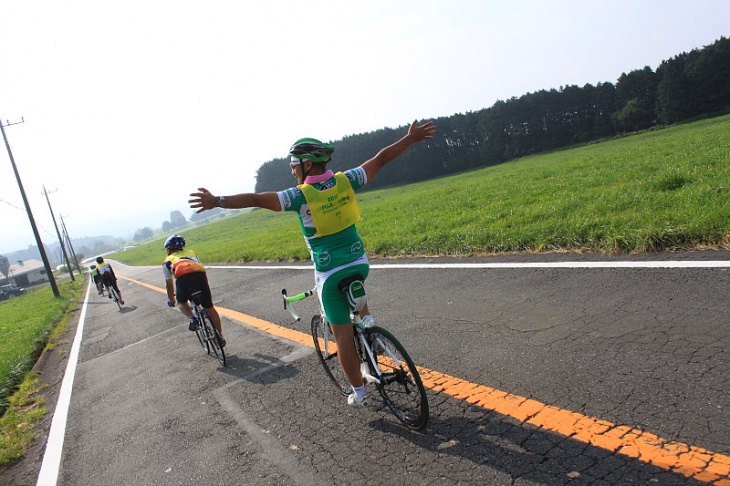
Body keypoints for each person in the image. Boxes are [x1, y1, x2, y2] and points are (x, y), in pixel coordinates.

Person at [189, 119, 436, 407]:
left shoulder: (299, 196)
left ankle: (359, 392)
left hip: (329, 273)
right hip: (359, 261)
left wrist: (217, 200)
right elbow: (381, 159)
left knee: (342, 334)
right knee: (355, 296)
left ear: (306, 164)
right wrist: (410, 139)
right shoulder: (348, 179)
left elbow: (257, 199)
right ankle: (369, 323)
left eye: (293, 163)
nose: (291, 169)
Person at [162, 234, 226, 347]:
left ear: (169, 249)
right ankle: (220, 336)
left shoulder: (167, 261)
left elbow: (169, 285)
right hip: (200, 276)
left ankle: (193, 319)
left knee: (181, 302)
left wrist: (171, 300)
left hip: (183, 279)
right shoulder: (191, 253)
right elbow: (200, 267)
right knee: (209, 307)